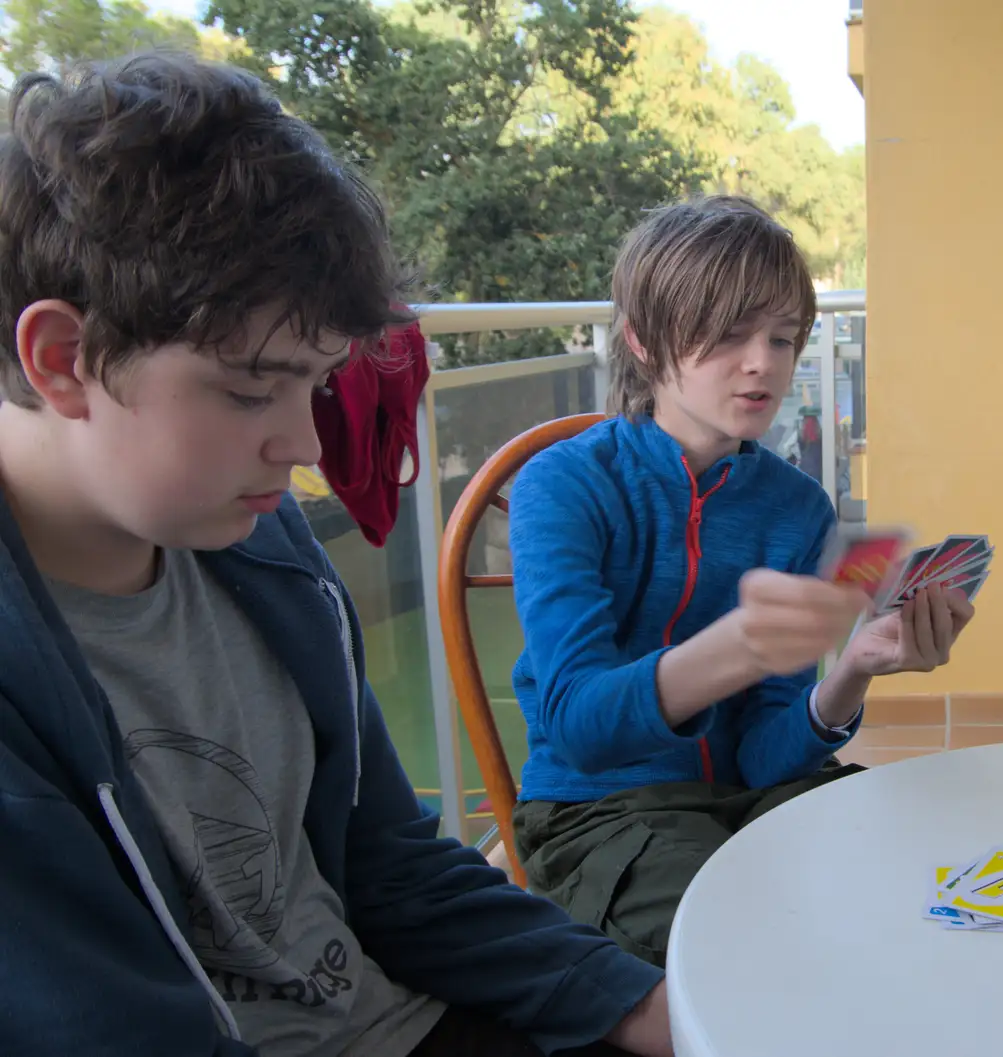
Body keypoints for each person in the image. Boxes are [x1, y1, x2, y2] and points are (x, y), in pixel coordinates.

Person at [0, 53, 670, 1057]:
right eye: (248, 389)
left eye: (313, 385)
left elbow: (392, 866)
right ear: (61, 360)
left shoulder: (262, 555)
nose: (307, 447)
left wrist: (641, 1005)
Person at [508, 195, 974, 967]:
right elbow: (580, 728)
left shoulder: (796, 507)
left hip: (750, 799)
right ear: (642, 339)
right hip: (600, 811)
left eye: (783, 337)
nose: (764, 362)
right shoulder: (564, 485)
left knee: (926, 896)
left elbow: (763, 757)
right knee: (763, 948)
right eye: (728, 333)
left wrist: (851, 671)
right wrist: (738, 648)